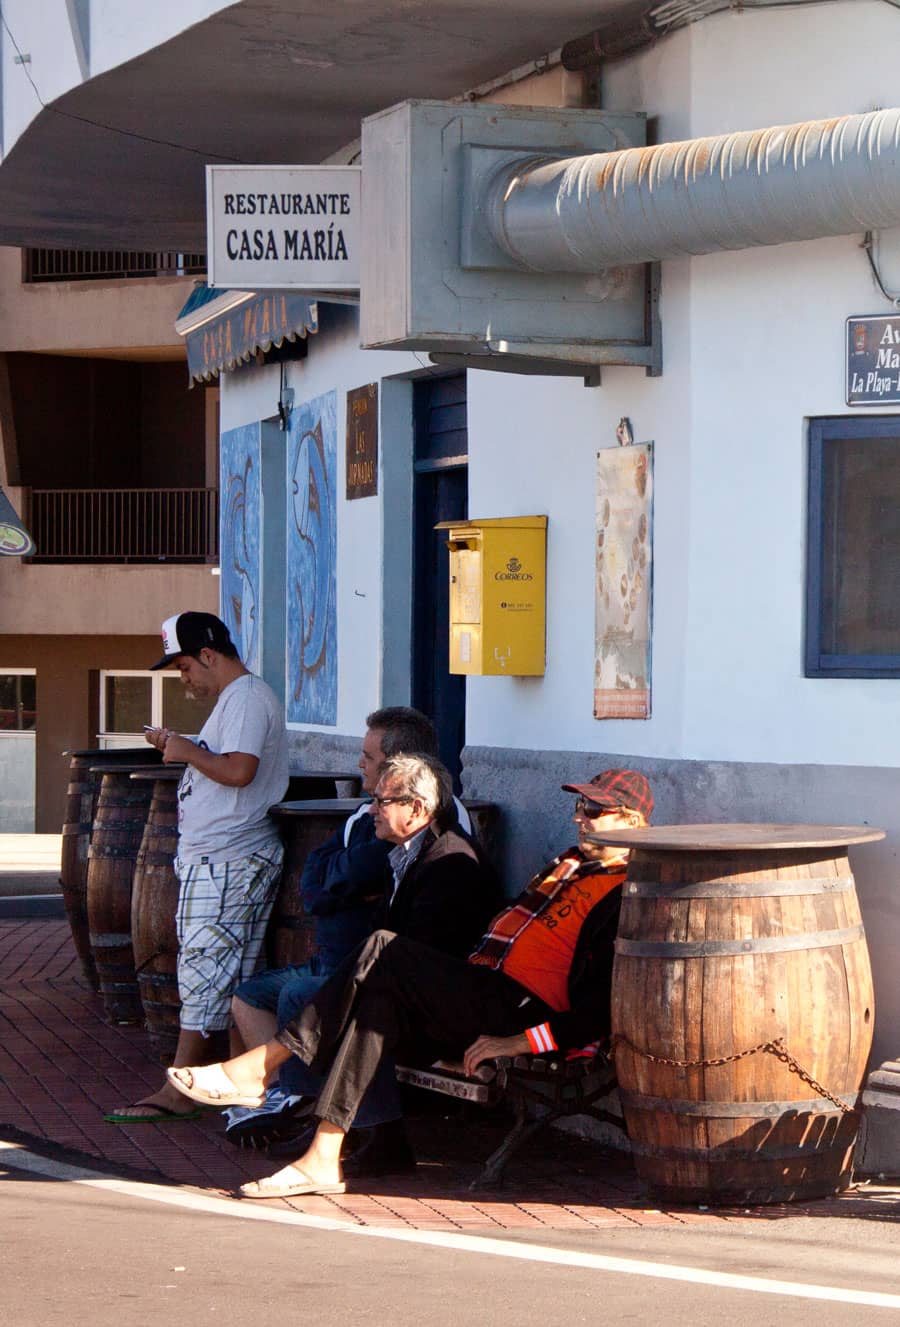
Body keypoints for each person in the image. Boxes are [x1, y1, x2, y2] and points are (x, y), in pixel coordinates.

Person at [166, 768, 653, 1197]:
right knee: (375, 1003)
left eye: (594, 809)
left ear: (633, 822)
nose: (580, 817)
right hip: (484, 991)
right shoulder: (568, 866)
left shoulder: (625, 894)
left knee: (383, 948)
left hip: (521, 1013)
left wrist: (516, 1043)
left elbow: (597, 1009)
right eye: (579, 806)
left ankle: (264, 1065)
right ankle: (323, 1156)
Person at [227, 751, 499, 1170]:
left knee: (359, 1007)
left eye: (382, 802)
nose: (371, 809)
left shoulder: (450, 863)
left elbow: (422, 956)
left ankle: (339, 1121)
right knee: (322, 995)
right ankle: (330, 1118)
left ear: (417, 808)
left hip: (446, 1013)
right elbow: (323, 881)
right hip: (415, 995)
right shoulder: (408, 852)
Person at [105, 610, 289, 1123]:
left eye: (185, 667)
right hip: (222, 854)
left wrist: (184, 750)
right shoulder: (238, 700)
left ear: (209, 655)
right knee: (228, 977)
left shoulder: (248, 699)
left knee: (205, 971)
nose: (183, 679)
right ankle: (233, 1080)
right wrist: (181, 746)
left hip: (229, 854)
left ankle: (180, 1088)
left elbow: (239, 769)